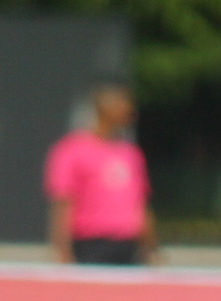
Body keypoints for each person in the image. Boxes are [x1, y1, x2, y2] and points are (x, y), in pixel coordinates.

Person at [44, 82, 156, 267]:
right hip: (91, 245)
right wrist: (63, 252)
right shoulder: (71, 150)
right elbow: (63, 203)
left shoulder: (130, 153)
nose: (128, 109)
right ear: (103, 107)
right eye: (122, 103)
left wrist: (150, 248)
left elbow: (140, 205)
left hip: (128, 246)